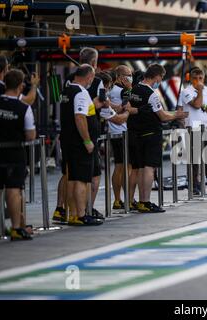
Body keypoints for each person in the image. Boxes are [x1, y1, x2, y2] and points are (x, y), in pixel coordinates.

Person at [53, 47, 105, 223]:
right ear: (89, 76)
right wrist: (88, 140)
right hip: (79, 142)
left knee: (73, 177)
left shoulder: (67, 90)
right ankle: (81, 215)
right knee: (82, 179)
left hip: (67, 139)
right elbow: (80, 118)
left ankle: (74, 214)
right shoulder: (81, 92)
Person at [127, 63, 188, 213]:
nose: (160, 80)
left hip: (135, 133)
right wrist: (177, 114)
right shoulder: (151, 94)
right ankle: (145, 201)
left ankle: (136, 201)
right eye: (161, 77)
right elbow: (162, 116)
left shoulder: (133, 89)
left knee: (139, 168)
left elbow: (129, 108)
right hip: (150, 134)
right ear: (156, 77)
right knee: (149, 168)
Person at [0, 69, 36, 240]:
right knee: (14, 190)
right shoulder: (24, 108)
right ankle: (15, 228)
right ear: (21, 86)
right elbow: (30, 135)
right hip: (14, 153)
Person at [180, 67, 207, 195]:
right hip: (193, 127)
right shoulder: (186, 91)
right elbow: (197, 105)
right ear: (190, 79)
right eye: (195, 78)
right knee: (195, 160)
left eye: (200, 78)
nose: (198, 81)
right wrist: (199, 92)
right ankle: (194, 186)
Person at [108, 65, 133, 210]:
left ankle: (118, 199)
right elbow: (128, 106)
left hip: (113, 131)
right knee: (125, 167)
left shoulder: (110, 89)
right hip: (122, 131)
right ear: (120, 76)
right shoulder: (124, 90)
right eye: (128, 75)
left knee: (119, 166)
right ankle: (126, 198)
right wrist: (130, 88)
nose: (130, 78)